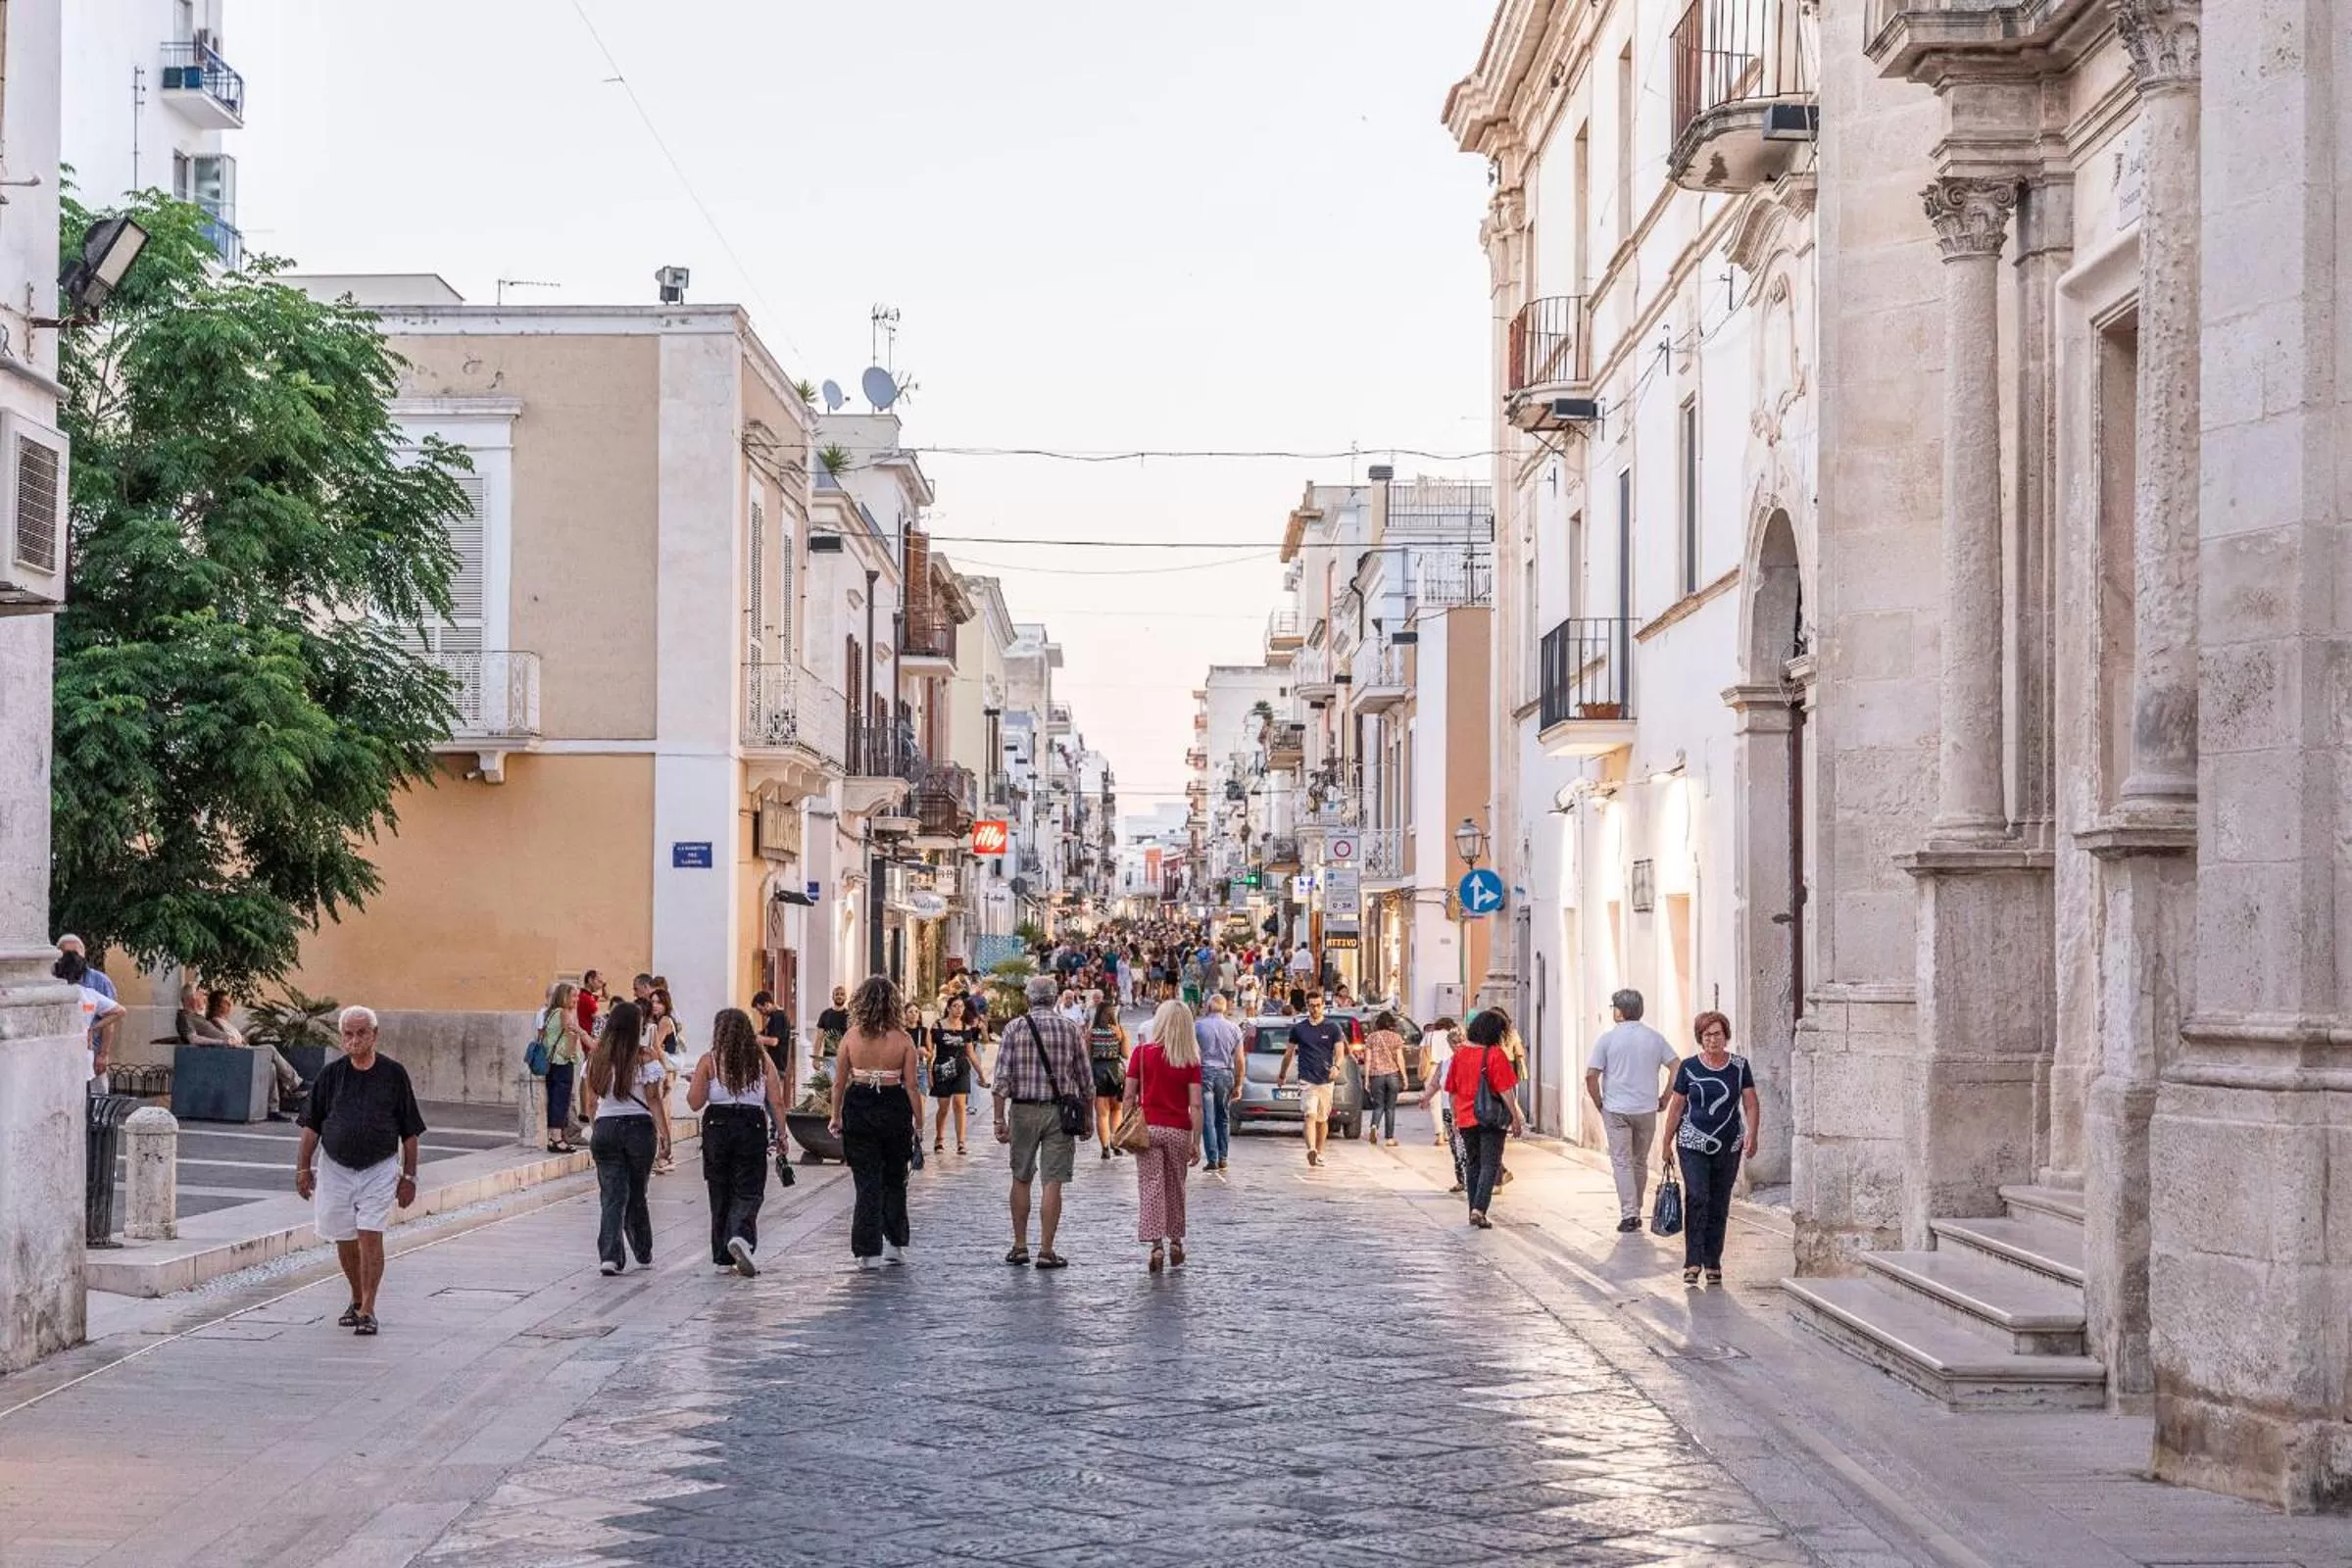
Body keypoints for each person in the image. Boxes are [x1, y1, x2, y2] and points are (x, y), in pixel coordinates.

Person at [293, 1006, 425, 1335]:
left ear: (374, 1034)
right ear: (342, 1038)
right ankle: (355, 1296)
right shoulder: (331, 1075)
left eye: (361, 1033)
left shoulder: (394, 1074)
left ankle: (368, 1308)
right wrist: (302, 1168)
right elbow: (312, 1125)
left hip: (378, 1167)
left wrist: (409, 1177)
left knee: (370, 1233)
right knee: (343, 1235)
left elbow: (410, 1130)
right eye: (348, 1034)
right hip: (336, 1166)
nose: (355, 1040)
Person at [994, 974, 1093, 1269]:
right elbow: (1086, 1080)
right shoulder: (1069, 1028)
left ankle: (1020, 1245)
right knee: (1053, 1181)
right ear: (1054, 998)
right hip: (1059, 1113)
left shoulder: (1014, 1027)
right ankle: (1046, 1250)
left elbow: (1001, 1079)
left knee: (1021, 1177)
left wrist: (999, 1118)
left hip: (1023, 1111)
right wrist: (1087, 1117)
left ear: (1029, 997)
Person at [688, 1008, 790, 1277]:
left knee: (719, 1189)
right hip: (751, 1124)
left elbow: (695, 1102)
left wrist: (699, 1083)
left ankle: (723, 1258)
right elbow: (776, 1100)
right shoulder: (761, 1059)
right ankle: (741, 1236)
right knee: (750, 1187)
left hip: (717, 1126)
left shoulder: (708, 1061)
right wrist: (782, 1134)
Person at [1661, 1010, 1759, 1287]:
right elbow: (1677, 1105)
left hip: (1729, 1144)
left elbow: (1751, 1103)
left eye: (1717, 1034)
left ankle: (1713, 1261)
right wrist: (1666, 1141)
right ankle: (1693, 1261)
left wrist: (1752, 1134)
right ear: (1700, 1039)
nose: (1712, 1040)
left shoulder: (1739, 1067)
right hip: (1691, 1141)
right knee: (1697, 1196)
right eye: (1706, 1035)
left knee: (1719, 1202)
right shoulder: (1689, 1067)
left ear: (1725, 1036)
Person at [829, 976, 921, 1267]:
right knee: (895, 1178)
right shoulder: (904, 1040)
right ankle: (895, 1244)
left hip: (859, 1105)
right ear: (893, 1004)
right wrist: (919, 1122)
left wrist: (835, 1116)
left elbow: (839, 1083)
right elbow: (912, 1086)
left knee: (866, 1182)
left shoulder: (851, 1037)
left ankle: (867, 1251)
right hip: (894, 1106)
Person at [579, 1000, 669, 1276]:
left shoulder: (596, 1058)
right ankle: (642, 1251)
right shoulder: (646, 1058)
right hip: (639, 1129)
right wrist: (665, 1134)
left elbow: (590, 1103)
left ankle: (610, 1256)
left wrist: (597, 1128)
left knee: (611, 1194)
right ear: (636, 1027)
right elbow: (654, 1099)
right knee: (637, 1192)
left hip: (606, 1128)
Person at [1585, 988, 1682, 1234]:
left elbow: (1591, 1075)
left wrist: (1599, 1102)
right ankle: (1635, 1208)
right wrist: (1666, 1096)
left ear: (1619, 1012)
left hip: (1616, 1109)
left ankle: (1630, 1214)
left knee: (1621, 1162)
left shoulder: (1607, 1039)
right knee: (1639, 1161)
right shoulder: (1654, 1038)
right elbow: (1676, 1066)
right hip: (1647, 1108)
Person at [1125, 1000, 1204, 1273]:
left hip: (1149, 1128)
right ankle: (1176, 1242)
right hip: (1178, 1129)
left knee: (1151, 1186)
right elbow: (1195, 1105)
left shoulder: (1142, 1053)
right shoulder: (1190, 1060)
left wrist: (1127, 1125)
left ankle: (1156, 1245)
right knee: (1176, 1187)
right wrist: (1196, 1142)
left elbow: (1128, 1095)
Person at [1443, 1009, 1524, 1228]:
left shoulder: (1459, 1055)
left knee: (1473, 1163)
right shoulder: (1495, 1055)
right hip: (1491, 1119)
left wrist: (1456, 1118)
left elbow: (1452, 1091)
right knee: (1490, 1163)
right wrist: (1515, 1118)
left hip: (1467, 1119)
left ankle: (1473, 1209)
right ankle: (1479, 1209)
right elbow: (1506, 1091)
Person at [1273, 992, 1348, 1168]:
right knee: (1309, 1114)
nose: (1314, 1009)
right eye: (1311, 1005)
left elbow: (1339, 1052)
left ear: (1323, 1006)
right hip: (1307, 1079)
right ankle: (1311, 1149)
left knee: (1322, 1119)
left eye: (1317, 1005)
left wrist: (1336, 1067)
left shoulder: (1333, 1028)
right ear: (1307, 1007)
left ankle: (1320, 1152)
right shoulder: (1299, 1029)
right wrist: (1282, 1074)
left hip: (1326, 1080)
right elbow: (1289, 1053)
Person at [929, 994, 989, 1154]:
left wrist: (981, 1074)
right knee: (943, 1106)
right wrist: (929, 1072)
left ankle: (961, 1141)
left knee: (960, 1104)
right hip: (942, 1066)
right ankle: (939, 1138)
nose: (959, 1009)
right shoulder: (937, 1026)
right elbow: (930, 1051)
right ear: (948, 1008)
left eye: (961, 1006)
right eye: (955, 1006)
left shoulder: (966, 1028)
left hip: (961, 1067)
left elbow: (971, 1053)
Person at [536, 980, 591, 1153]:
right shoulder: (565, 1013)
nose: (576, 999)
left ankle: (554, 1137)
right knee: (561, 1099)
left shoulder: (551, 1013)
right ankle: (557, 1139)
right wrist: (569, 1054)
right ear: (565, 996)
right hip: (562, 1062)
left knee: (555, 1098)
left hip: (551, 1062)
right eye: (573, 995)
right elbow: (572, 1035)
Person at [1193, 992, 1245, 1174]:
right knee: (1223, 1116)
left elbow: (1194, 1054)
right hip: (1225, 1073)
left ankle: (1212, 1158)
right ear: (1225, 1008)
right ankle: (1223, 1157)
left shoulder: (1198, 1026)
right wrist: (1239, 1084)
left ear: (1208, 1007)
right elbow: (1239, 1059)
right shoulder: (1234, 1029)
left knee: (1207, 1117)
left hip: (1205, 1072)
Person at [56, 951, 123, 1087]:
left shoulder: (53, 994)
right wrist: (92, 1028)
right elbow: (119, 1011)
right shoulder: (89, 995)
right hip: (83, 1050)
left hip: (58, 1052)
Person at [645, 989, 683, 1173]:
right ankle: (664, 1154)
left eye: (659, 1002)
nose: (655, 1005)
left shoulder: (664, 1022)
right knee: (662, 1112)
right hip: (663, 1069)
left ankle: (664, 1155)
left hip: (664, 1070)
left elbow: (655, 1045)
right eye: (652, 1001)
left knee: (662, 1113)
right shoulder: (658, 1021)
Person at [1358, 1010, 1409, 1147]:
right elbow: (1400, 1058)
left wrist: (1367, 1078)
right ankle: (1389, 1138)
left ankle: (1374, 1126)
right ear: (1391, 1023)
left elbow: (1368, 1059)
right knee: (1390, 1108)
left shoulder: (1371, 1038)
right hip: (1392, 1075)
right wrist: (1404, 1077)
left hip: (1377, 1076)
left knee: (1378, 1105)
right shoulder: (1396, 1038)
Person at [1086, 999, 1129, 1158]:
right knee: (1117, 1110)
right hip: (1116, 1071)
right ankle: (1115, 1141)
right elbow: (1125, 1054)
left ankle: (1104, 1147)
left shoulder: (1091, 1033)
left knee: (1102, 1113)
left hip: (1098, 1071)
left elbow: (1087, 1055)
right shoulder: (1119, 1031)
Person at [56, 935, 115, 1002]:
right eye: (66, 954)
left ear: (83, 954)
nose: (71, 958)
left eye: (75, 953)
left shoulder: (101, 981)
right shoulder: (51, 981)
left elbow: (113, 1009)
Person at [815, 985, 851, 1061]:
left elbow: (853, 1039)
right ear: (833, 997)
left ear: (845, 997)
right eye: (837, 994)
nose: (839, 996)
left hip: (846, 1057)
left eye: (842, 994)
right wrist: (816, 1058)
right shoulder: (825, 1014)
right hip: (829, 1057)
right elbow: (819, 1038)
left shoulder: (850, 1016)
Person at [577, 970, 605, 1035]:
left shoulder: (589, 996)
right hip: (588, 1036)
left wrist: (604, 985)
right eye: (599, 981)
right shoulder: (586, 998)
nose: (600, 985)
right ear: (590, 980)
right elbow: (598, 1018)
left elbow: (606, 997)